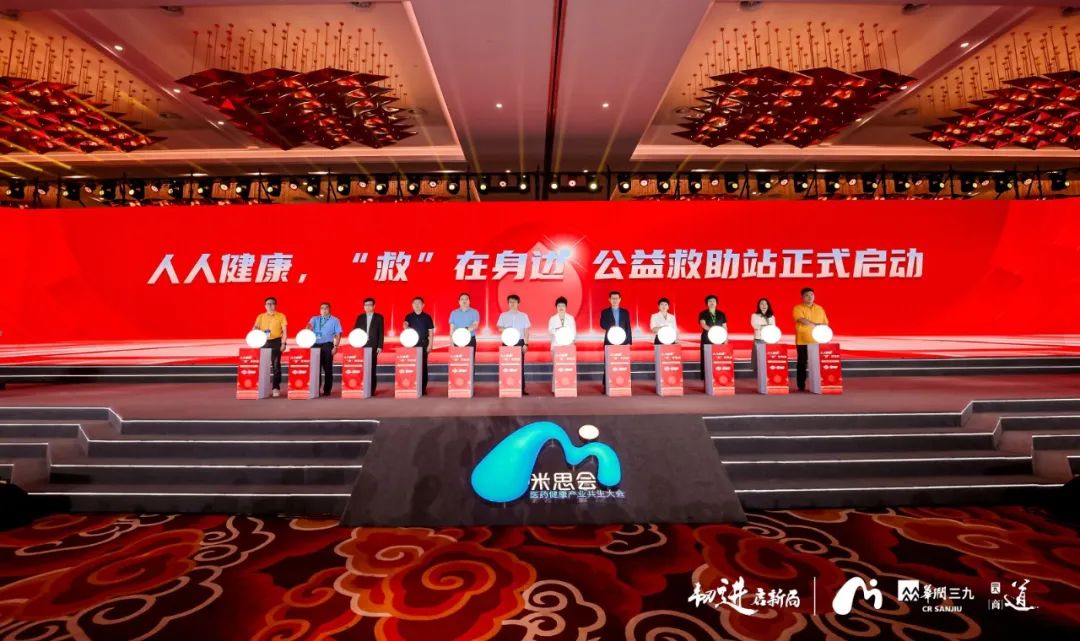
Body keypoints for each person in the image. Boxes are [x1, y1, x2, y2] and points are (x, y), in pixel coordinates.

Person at [793, 287, 829, 392]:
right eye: (807, 295)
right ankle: (801, 385)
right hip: (803, 340)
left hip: (817, 340)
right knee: (802, 363)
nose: (810, 297)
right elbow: (802, 320)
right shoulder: (798, 308)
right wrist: (816, 325)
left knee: (817, 364)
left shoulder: (820, 308)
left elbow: (825, 323)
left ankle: (818, 384)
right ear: (802, 297)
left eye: (812, 295)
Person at [252, 297, 287, 397]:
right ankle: (262, 387)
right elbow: (255, 327)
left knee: (276, 366)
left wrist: (283, 343)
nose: (270, 305)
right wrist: (254, 330)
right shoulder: (260, 316)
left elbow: (285, 331)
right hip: (263, 342)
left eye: (272, 303)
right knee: (262, 366)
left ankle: (276, 387)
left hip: (276, 342)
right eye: (268, 304)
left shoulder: (281, 316)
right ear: (265, 306)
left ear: (275, 305)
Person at [497, 294, 531, 394]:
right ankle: (506, 387)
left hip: (519, 342)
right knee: (506, 365)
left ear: (518, 303)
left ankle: (521, 389)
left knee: (520, 366)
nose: (512, 304)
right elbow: (499, 328)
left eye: (514, 302)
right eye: (510, 302)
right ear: (508, 303)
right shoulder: (503, 315)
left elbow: (526, 331)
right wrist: (506, 329)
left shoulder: (524, 316)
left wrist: (526, 344)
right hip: (507, 342)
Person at [306, 302, 342, 397]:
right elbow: (308, 326)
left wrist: (336, 347)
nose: (324, 310)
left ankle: (327, 389)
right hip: (315, 345)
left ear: (329, 309)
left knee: (328, 368)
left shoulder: (335, 320)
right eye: (322, 308)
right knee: (315, 368)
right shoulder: (314, 319)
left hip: (327, 345)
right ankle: (316, 389)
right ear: (320, 310)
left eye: (326, 308)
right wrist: (307, 329)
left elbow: (338, 334)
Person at [403, 297, 435, 395]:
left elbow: (431, 332)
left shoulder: (427, 317)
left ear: (423, 305)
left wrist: (430, 345)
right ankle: (413, 386)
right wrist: (405, 325)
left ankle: (423, 388)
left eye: (419, 303)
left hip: (423, 344)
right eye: (415, 303)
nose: (417, 305)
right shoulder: (409, 316)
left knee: (423, 366)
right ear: (412, 305)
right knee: (412, 365)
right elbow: (405, 323)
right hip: (411, 344)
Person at [352, 297, 384, 395]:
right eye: (366, 305)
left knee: (372, 368)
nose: (368, 307)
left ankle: (371, 390)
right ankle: (361, 387)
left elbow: (381, 332)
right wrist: (355, 343)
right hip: (361, 346)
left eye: (370, 305)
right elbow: (355, 331)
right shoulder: (360, 317)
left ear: (374, 306)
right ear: (364, 306)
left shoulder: (379, 317)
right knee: (361, 367)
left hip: (373, 346)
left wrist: (380, 346)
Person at [698, 294, 727, 380]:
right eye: (709, 301)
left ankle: (718, 375)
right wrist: (713, 330)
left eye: (713, 301)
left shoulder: (721, 314)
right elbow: (703, 324)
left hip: (719, 338)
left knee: (719, 356)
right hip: (707, 337)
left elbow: (725, 326)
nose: (712, 303)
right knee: (706, 357)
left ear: (716, 303)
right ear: (707, 303)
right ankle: (706, 376)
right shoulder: (703, 313)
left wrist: (726, 339)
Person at [750, 297, 776, 377]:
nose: (764, 306)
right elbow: (755, 325)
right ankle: (759, 374)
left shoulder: (772, 316)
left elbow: (774, 328)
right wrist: (765, 326)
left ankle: (768, 374)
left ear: (768, 306)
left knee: (768, 358)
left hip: (769, 340)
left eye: (765, 304)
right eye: (762, 304)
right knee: (758, 358)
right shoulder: (755, 315)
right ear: (759, 306)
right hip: (759, 339)